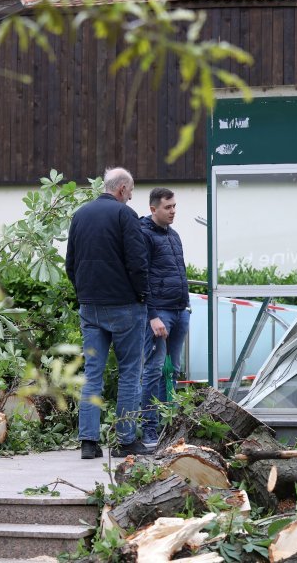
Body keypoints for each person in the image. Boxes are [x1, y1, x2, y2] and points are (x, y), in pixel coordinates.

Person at [65, 167, 152, 459]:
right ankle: (125, 441)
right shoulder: (124, 215)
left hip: (90, 306)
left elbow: (71, 263)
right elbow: (137, 261)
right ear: (122, 189)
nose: (130, 196)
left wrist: (84, 294)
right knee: (130, 374)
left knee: (92, 374)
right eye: (131, 191)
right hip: (125, 306)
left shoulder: (80, 215)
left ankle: (89, 443)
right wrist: (142, 296)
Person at [139, 187, 190, 450]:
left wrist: (186, 305)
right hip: (160, 314)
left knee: (173, 370)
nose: (173, 211)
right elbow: (142, 278)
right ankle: (149, 429)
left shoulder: (174, 235)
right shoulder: (144, 235)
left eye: (174, 206)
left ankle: (168, 427)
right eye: (167, 207)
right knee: (154, 370)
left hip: (180, 310)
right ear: (153, 209)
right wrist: (152, 315)